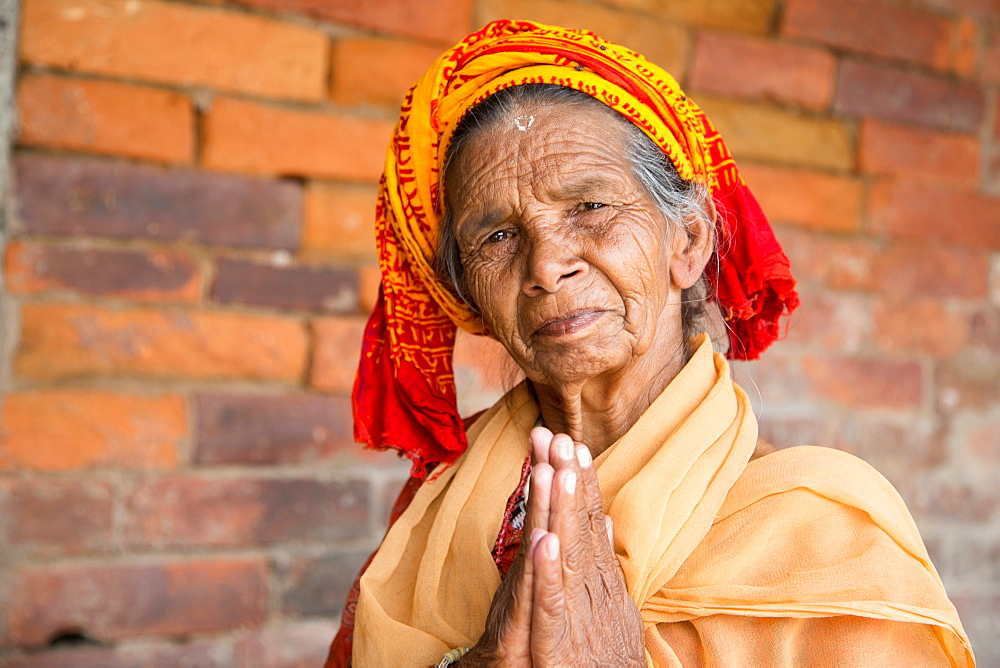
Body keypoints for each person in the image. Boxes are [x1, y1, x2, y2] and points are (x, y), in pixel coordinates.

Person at [327, 20, 974, 667]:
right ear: (470, 296)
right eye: (496, 237)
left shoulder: (827, 537)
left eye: (589, 207)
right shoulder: (436, 510)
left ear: (687, 241)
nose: (547, 265)